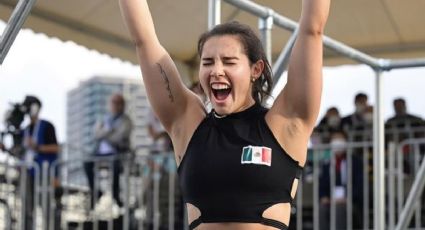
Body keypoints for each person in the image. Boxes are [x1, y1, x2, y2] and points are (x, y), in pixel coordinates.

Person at [119, 0, 330, 229]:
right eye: (207, 62)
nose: (216, 71)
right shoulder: (187, 123)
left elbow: (312, 29)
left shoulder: (287, 123)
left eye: (229, 62)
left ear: (256, 70)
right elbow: (144, 40)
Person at [84, 93, 132, 209]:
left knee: (116, 166)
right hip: (100, 153)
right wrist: (110, 131)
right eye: (113, 102)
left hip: (117, 152)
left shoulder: (126, 121)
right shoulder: (105, 118)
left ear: (123, 105)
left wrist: (104, 133)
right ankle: (96, 191)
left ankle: (115, 194)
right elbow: (96, 134)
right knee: (87, 163)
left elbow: (119, 137)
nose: (115, 105)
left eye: (118, 103)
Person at [21, 95, 60, 230]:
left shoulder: (47, 126)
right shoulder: (25, 130)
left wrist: (37, 147)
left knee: (47, 207)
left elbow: (56, 148)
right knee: (27, 207)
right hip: (28, 173)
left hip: (44, 173)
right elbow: (21, 152)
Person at [318, 130, 364, 230]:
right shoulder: (326, 162)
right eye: (334, 139)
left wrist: (348, 197)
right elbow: (322, 184)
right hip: (331, 200)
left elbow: (359, 184)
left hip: (349, 200)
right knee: (321, 209)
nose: (337, 142)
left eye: (340, 139)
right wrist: (324, 197)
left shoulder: (355, 161)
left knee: (339, 209)